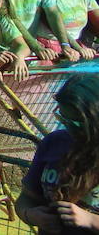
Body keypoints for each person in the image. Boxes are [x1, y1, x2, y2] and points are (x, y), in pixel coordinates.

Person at [16, 74, 99, 233]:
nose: (67, 127)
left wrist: (91, 220)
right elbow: (27, 198)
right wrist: (30, 215)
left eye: (75, 122)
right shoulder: (53, 143)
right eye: (62, 118)